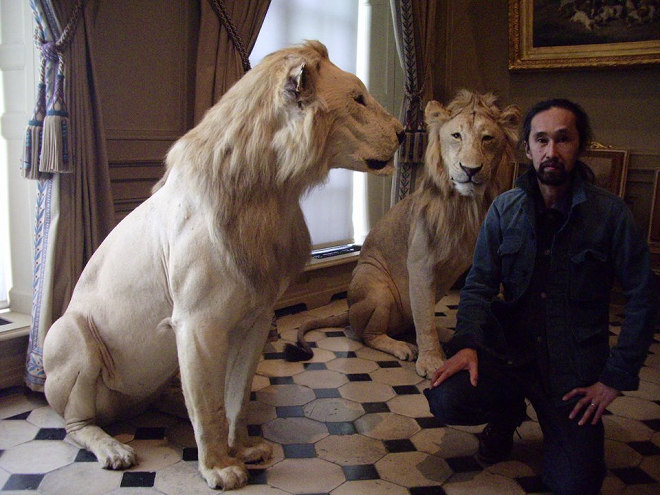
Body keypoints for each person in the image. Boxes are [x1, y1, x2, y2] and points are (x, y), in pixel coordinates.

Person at [424, 98, 657, 495]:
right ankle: (506, 415)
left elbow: (643, 297)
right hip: (509, 355)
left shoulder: (611, 215)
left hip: (570, 372)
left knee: (575, 484)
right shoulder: (504, 209)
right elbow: (479, 284)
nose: (551, 151)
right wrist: (466, 344)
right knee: (447, 398)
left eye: (563, 139)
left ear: (580, 146)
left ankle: (561, 431)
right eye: (541, 140)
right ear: (528, 149)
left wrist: (614, 377)